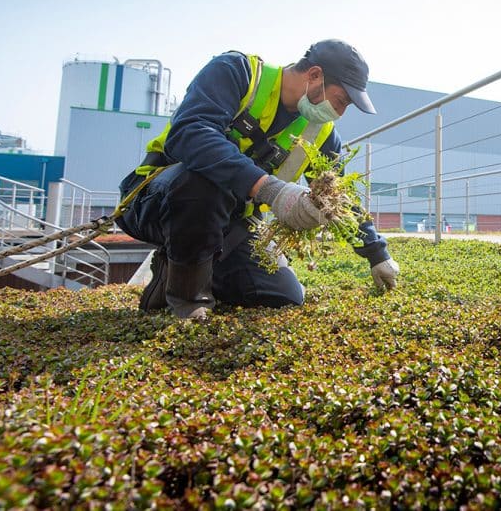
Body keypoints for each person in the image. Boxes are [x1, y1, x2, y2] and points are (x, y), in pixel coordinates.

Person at [115, 40, 400, 320]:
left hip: (230, 223)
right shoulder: (237, 72)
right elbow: (190, 133)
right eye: (341, 101)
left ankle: (184, 269)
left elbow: (337, 197)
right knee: (204, 181)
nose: (339, 112)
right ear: (315, 75)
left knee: (283, 295)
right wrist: (271, 190)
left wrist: (377, 254)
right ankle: (188, 300)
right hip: (159, 200)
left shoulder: (320, 132)